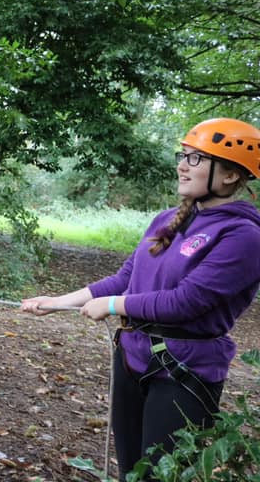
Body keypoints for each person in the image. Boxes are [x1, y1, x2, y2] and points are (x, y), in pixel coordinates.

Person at [20, 117, 260, 482]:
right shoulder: (167, 219)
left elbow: (186, 302)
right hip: (132, 357)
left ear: (230, 175)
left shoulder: (243, 236)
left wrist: (115, 306)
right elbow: (124, 279)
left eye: (196, 159)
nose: (182, 164)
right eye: (184, 155)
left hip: (185, 372)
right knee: (130, 470)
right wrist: (57, 302)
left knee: (158, 476)